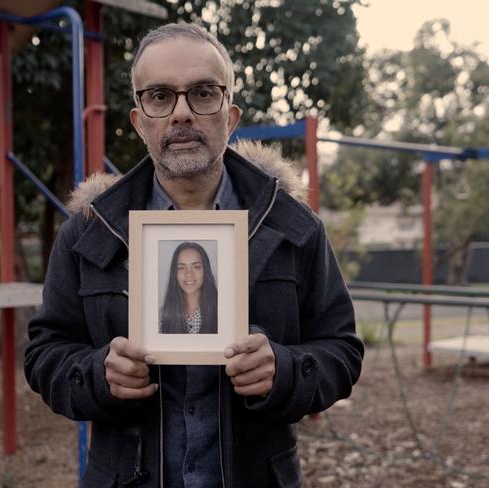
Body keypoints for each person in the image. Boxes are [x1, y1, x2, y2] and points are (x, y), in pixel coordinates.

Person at [24, 22, 364, 487]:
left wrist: (283, 371)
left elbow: (341, 351)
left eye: (203, 93)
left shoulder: (294, 228)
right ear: (140, 121)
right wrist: (98, 375)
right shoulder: (89, 232)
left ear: (231, 115)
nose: (182, 113)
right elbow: (46, 356)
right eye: (160, 96)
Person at [160, 241, 218, 334]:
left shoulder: (222, 313)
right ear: (174, 273)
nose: (189, 274)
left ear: (206, 271)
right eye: (181, 268)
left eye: (196, 267)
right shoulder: (161, 317)